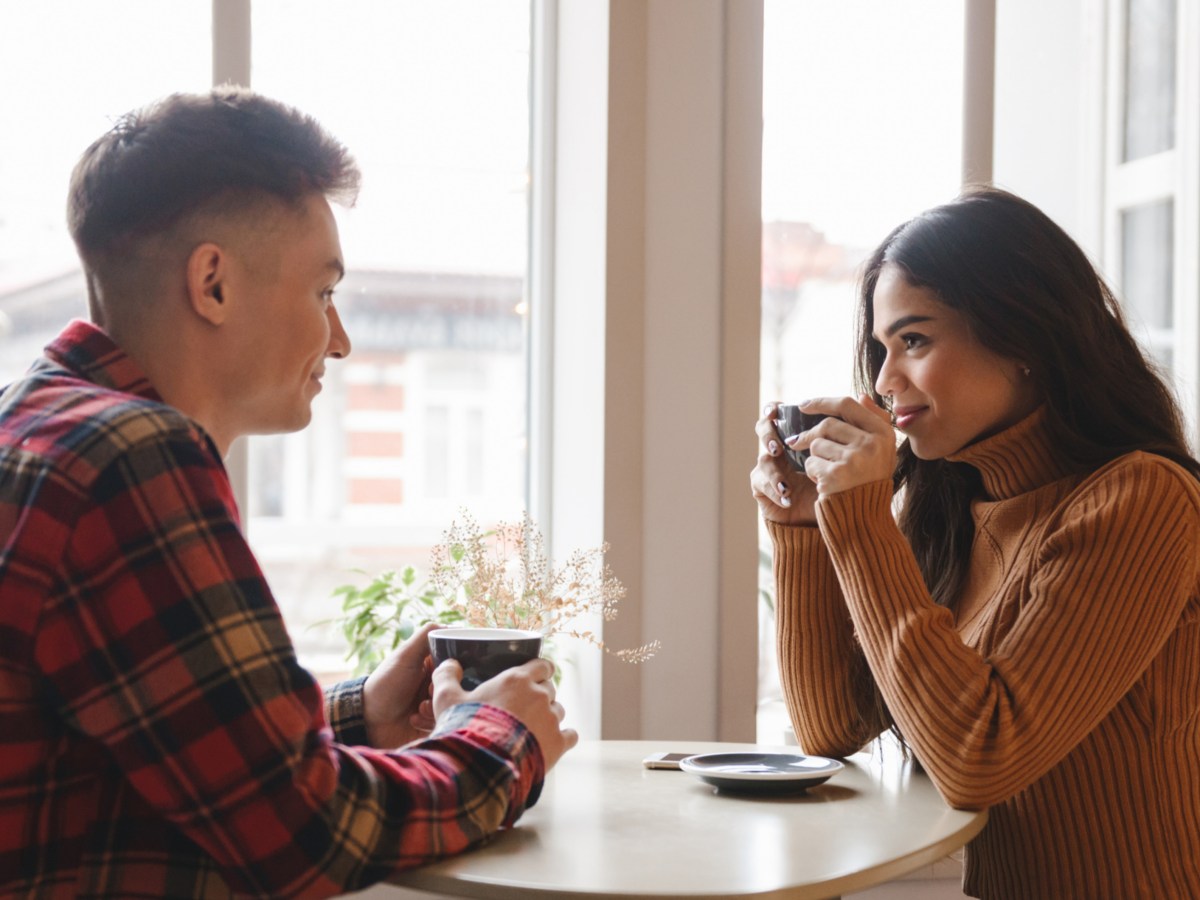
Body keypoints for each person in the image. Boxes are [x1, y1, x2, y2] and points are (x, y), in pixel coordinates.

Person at [0, 88, 577, 899]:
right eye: (324, 294)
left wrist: (359, 717)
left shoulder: (33, 426)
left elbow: (136, 760)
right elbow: (308, 836)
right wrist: (502, 738)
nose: (339, 343)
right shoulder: (133, 458)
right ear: (214, 284)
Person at [751, 186, 1200, 899]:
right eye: (880, 348)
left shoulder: (1141, 499)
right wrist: (807, 524)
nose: (886, 381)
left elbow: (980, 758)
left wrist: (863, 518)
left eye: (915, 340)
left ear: (1022, 336)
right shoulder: (956, 505)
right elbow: (832, 727)